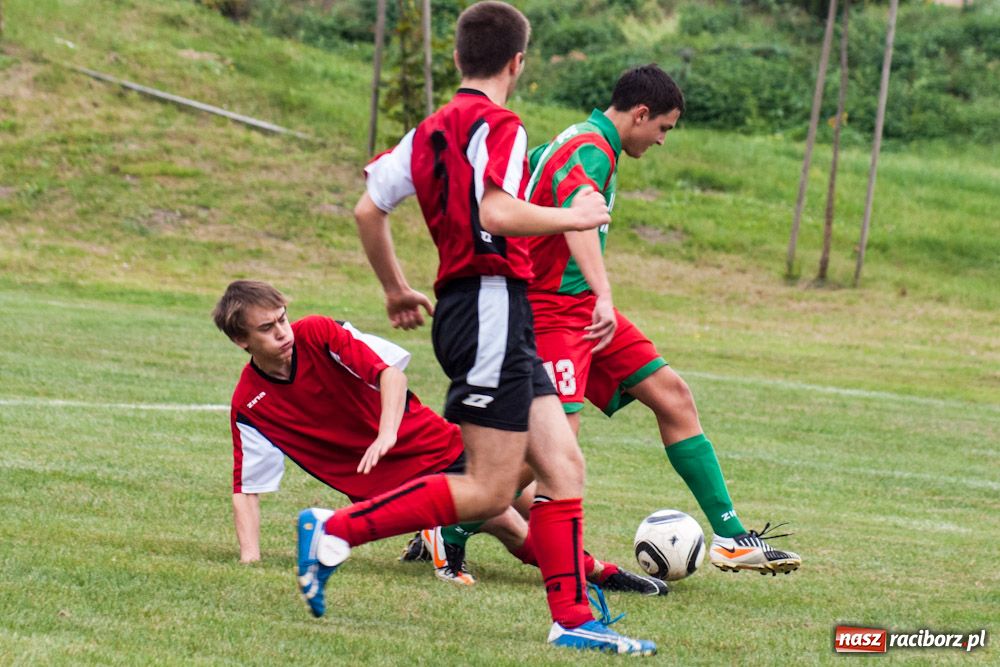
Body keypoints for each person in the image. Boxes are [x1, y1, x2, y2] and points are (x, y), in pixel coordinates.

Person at [348, 1, 656, 655]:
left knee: (562, 463)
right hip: (488, 301)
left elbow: (368, 210)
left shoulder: (429, 129)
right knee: (490, 485)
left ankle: (573, 618)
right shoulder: (502, 125)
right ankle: (334, 530)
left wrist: (395, 288)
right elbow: (497, 212)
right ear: (517, 62)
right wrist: (574, 217)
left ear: (458, 56)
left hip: (493, 308)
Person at [214, 279, 665, 597]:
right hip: (389, 486)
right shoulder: (249, 403)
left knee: (537, 492)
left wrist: (387, 432)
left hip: (433, 442)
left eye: (282, 319)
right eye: (267, 328)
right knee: (507, 523)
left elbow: (389, 374)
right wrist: (250, 560)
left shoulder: (317, 332)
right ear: (241, 340)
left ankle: (456, 537)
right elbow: (247, 488)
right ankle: (599, 573)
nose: (283, 332)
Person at [525, 64, 801, 575]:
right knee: (551, 449)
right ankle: (448, 524)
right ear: (640, 113)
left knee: (673, 395)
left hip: (581, 307)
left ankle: (731, 537)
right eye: (663, 128)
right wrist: (604, 294)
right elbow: (577, 220)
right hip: (551, 312)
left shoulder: (582, 141)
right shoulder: (588, 147)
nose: (661, 140)